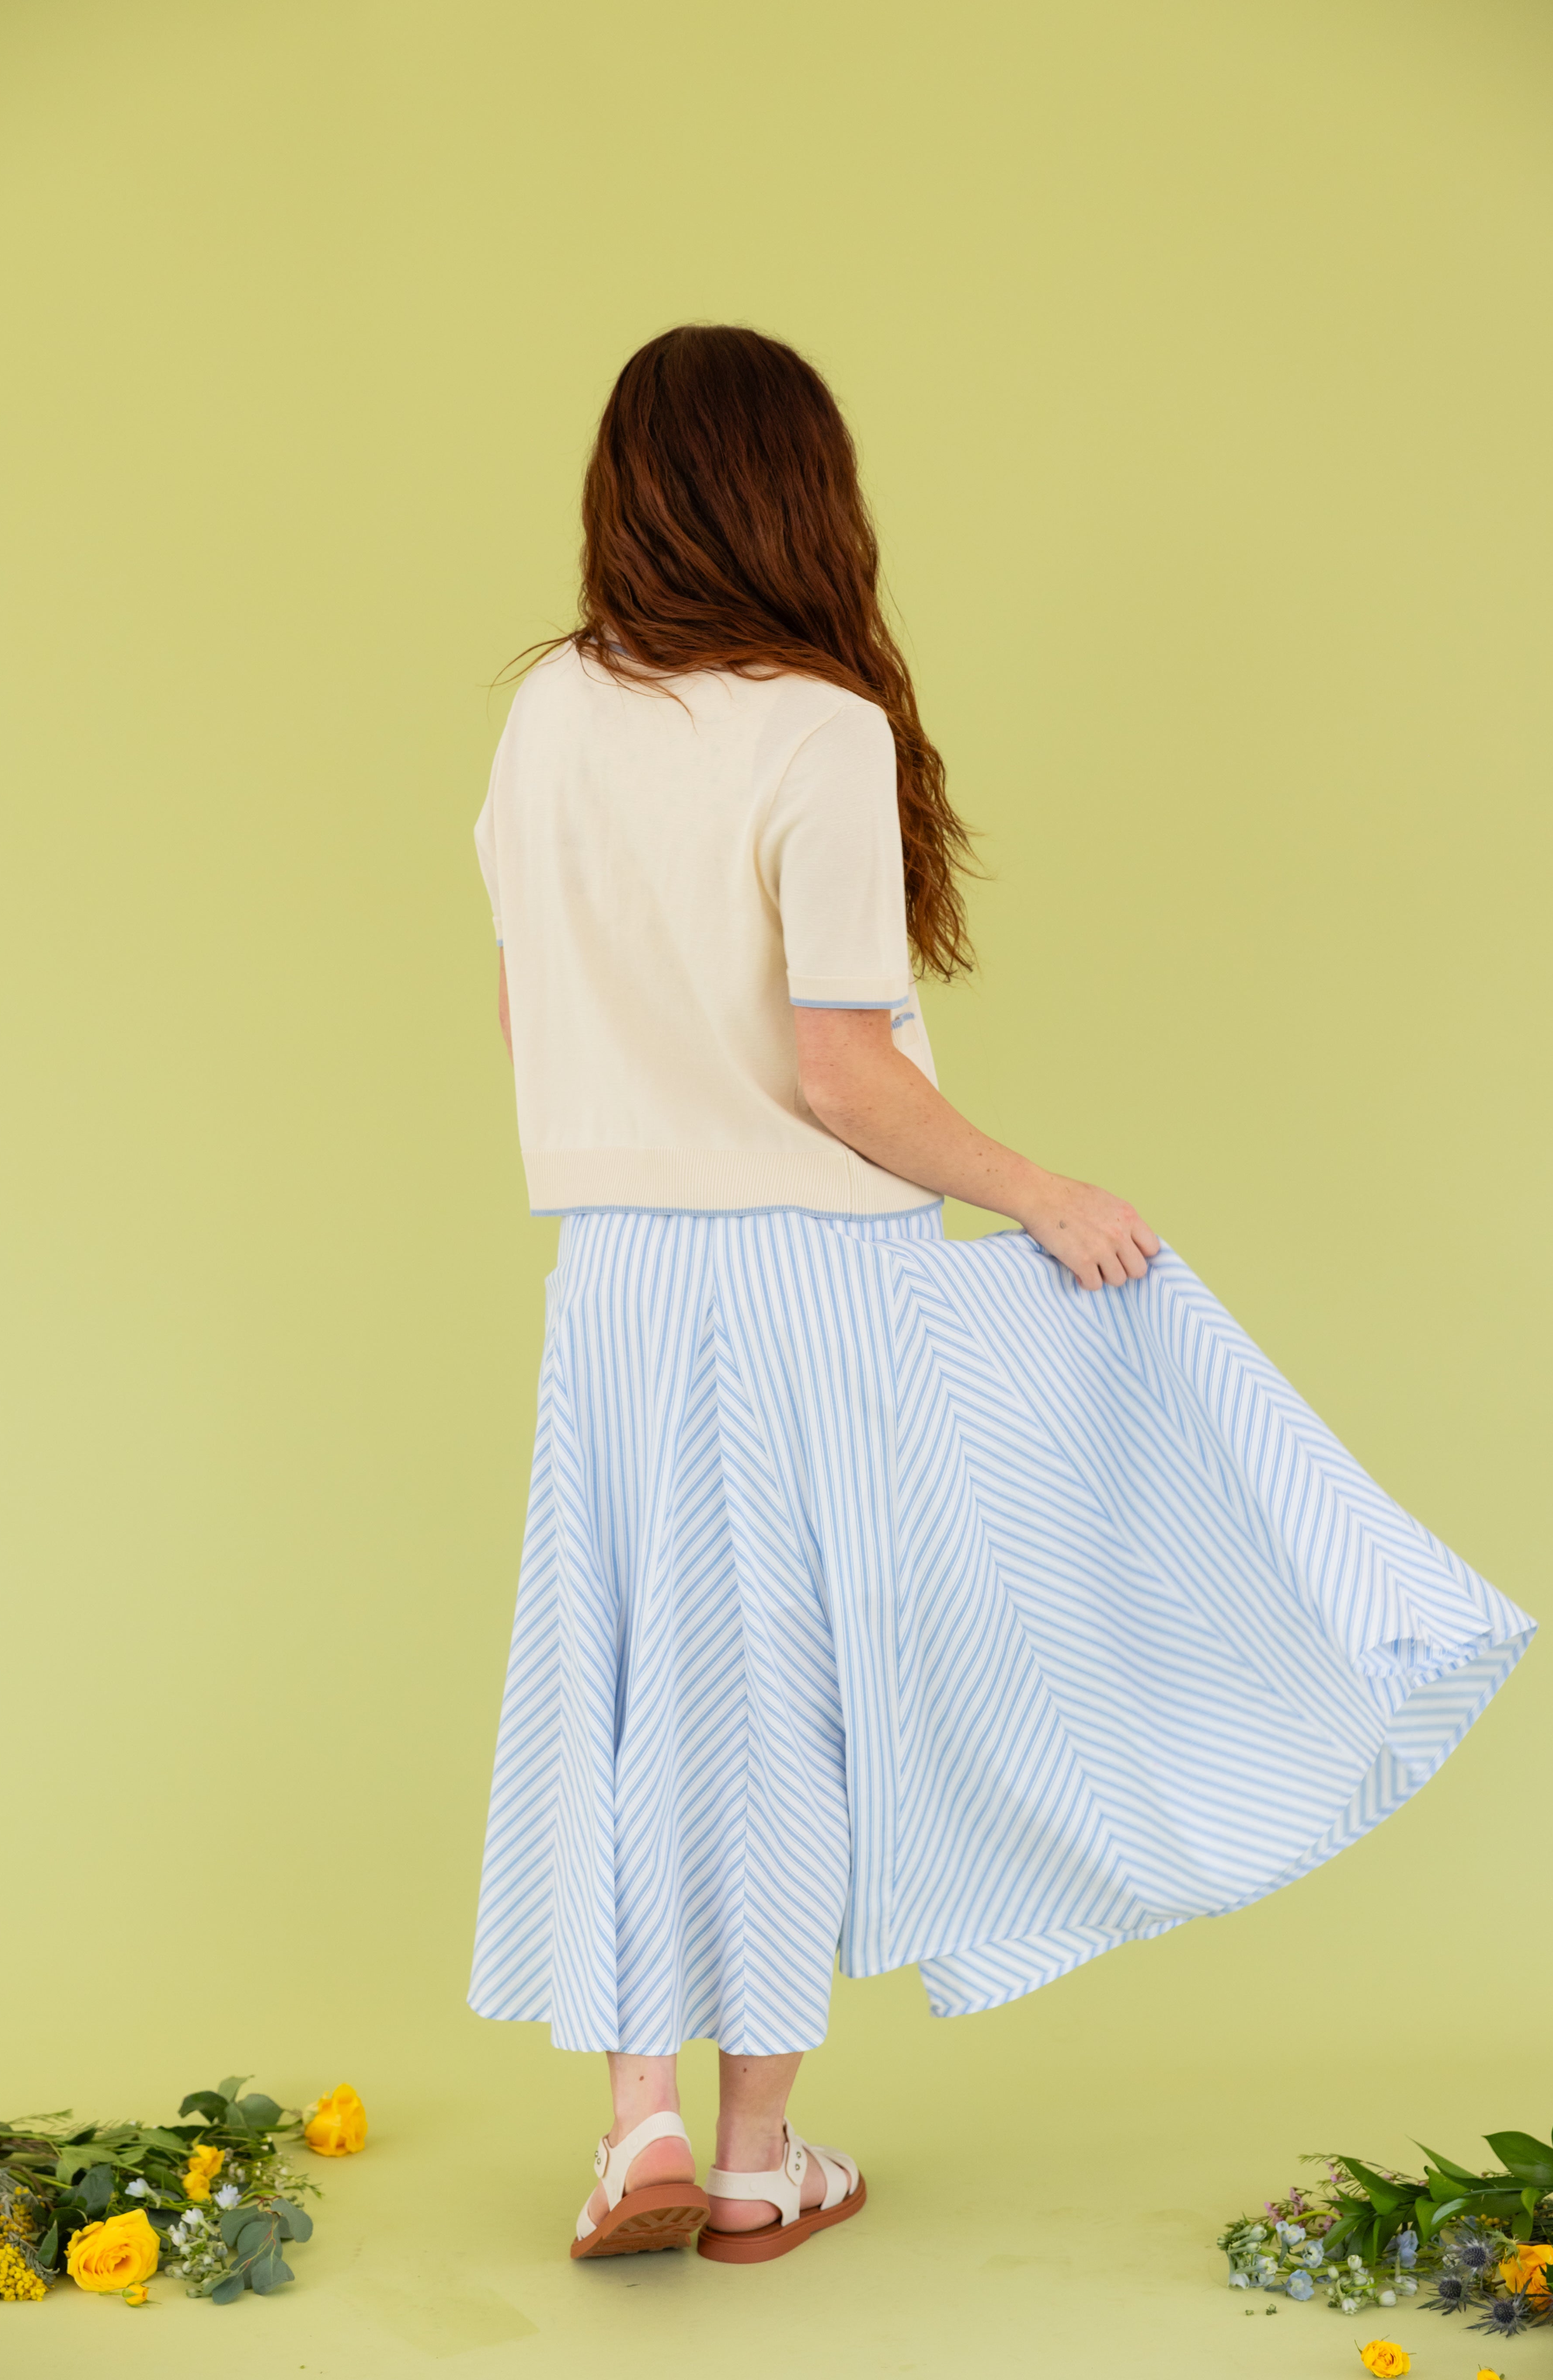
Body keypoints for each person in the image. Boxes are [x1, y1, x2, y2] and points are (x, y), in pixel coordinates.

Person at [468, 324, 1533, 2266]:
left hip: (607, 1288)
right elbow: (844, 1077)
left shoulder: (547, 712)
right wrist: (1050, 1198)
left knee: (618, 1679)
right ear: (811, 495)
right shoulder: (821, 729)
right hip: (807, 1286)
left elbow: (537, 1012)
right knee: (787, 1699)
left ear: (622, 491)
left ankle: (631, 2124)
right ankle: (758, 2152)